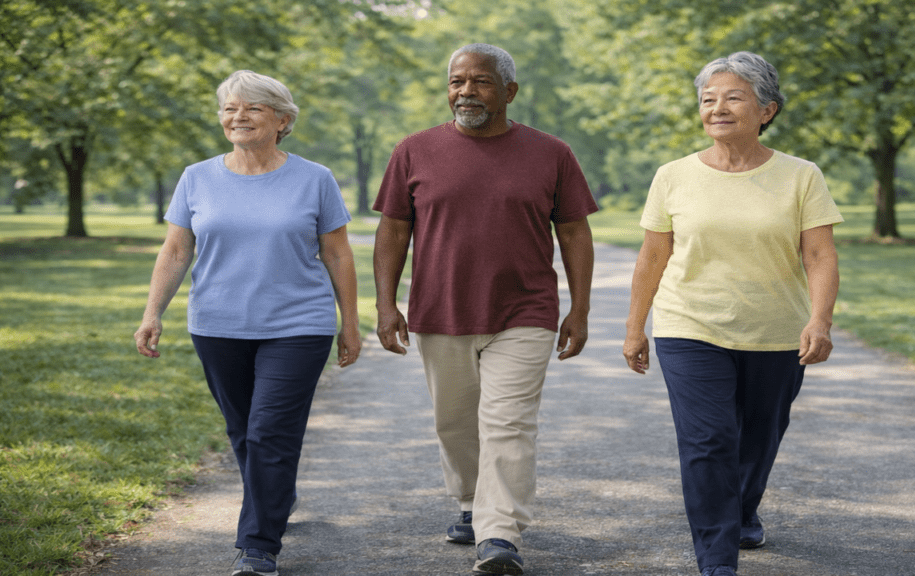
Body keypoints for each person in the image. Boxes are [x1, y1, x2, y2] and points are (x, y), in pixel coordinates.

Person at [373, 43, 598, 576]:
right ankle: (472, 503)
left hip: (526, 310)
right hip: (440, 308)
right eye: (456, 82)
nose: (466, 92)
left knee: (508, 423)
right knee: (454, 420)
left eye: (480, 82)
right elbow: (393, 230)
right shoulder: (414, 151)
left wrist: (580, 308)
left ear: (509, 91)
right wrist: (385, 305)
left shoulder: (551, 153)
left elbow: (573, 232)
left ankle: (499, 534)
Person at [622, 51, 843, 576]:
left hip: (775, 332)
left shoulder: (800, 176)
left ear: (767, 110)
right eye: (708, 99)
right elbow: (653, 257)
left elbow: (819, 254)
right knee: (709, 440)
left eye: (733, 97)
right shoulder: (673, 176)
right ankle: (717, 561)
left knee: (760, 437)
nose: (717, 108)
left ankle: (742, 509)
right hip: (690, 327)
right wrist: (635, 328)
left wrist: (820, 319)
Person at [133, 70, 361, 576]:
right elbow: (175, 250)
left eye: (253, 108)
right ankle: (276, 496)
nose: (238, 117)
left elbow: (338, 254)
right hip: (217, 323)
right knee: (243, 430)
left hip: (299, 325)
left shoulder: (314, 178)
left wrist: (350, 323)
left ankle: (258, 546)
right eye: (230, 108)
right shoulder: (197, 177)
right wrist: (153, 314)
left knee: (268, 432)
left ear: (282, 120)